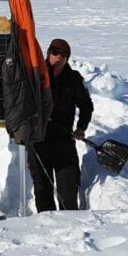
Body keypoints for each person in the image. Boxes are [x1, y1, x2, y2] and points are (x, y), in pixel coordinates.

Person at [31, 38, 93, 211]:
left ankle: (71, 231)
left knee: (68, 191)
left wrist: (81, 127)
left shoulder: (73, 79)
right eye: (55, 53)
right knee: (43, 190)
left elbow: (86, 106)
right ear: (49, 53)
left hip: (64, 143)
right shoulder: (36, 75)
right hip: (38, 142)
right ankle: (46, 229)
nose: (59, 57)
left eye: (63, 54)